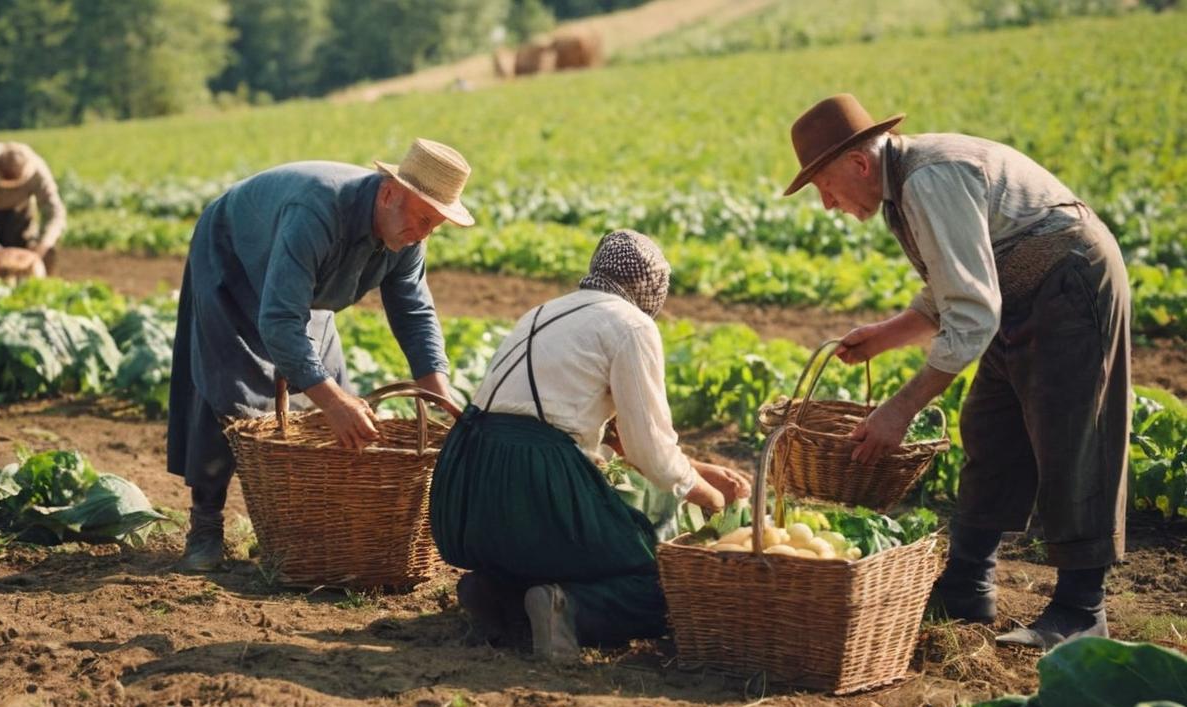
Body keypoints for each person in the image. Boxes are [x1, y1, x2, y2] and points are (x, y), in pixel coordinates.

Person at [783, 94, 1130, 649]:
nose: (828, 204)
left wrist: (900, 408)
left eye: (825, 187)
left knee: (1072, 437)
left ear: (859, 163)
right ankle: (968, 585)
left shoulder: (927, 180)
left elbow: (971, 310)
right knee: (990, 430)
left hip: (1068, 284)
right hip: (1016, 295)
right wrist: (889, 334)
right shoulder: (902, 189)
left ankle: (1081, 609)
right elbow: (957, 282)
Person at [429, 230, 753, 662]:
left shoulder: (542, 312)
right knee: (663, 581)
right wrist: (708, 496)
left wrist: (700, 469)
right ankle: (572, 611)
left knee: (556, 556)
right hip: (535, 474)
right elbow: (648, 449)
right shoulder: (633, 326)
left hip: (468, 480)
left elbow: (615, 437)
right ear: (652, 288)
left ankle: (495, 592)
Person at [167, 138, 474, 571]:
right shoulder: (318, 212)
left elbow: (414, 311)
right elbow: (278, 320)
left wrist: (439, 395)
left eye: (435, 225)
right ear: (389, 194)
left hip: (303, 286)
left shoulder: (407, 233)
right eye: (423, 219)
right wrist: (334, 401)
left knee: (323, 389)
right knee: (231, 390)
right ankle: (205, 526)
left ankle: (298, 530)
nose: (424, 234)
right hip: (233, 258)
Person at [0, 141, 66, 279]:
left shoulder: (38, 171)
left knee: (23, 261)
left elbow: (55, 211)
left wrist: (43, 245)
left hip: (19, 210)